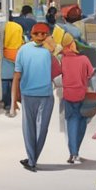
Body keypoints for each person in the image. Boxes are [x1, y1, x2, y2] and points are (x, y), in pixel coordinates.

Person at [12, 22, 61, 172]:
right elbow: (17, 76)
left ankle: (32, 160)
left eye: (43, 34)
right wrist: (13, 100)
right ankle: (32, 160)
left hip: (46, 94)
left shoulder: (51, 51)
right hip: (28, 95)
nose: (40, 36)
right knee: (30, 130)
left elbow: (60, 71)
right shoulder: (23, 50)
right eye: (36, 34)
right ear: (31, 35)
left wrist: (55, 50)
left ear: (48, 35)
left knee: (41, 130)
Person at [60, 41, 96, 164]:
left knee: (71, 121)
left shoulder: (63, 60)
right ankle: (76, 151)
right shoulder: (84, 59)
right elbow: (91, 74)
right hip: (82, 94)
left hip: (68, 94)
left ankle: (73, 152)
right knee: (82, 121)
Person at [2, 6, 31, 117]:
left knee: (5, 81)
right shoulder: (18, 27)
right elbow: (23, 40)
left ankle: (8, 104)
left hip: (6, 55)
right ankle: (17, 102)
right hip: (17, 55)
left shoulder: (3, 27)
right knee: (16, 81)